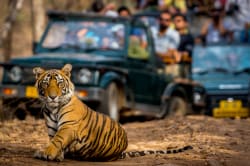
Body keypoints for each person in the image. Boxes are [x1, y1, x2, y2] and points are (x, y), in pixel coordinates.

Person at [173, 13, 194, 78]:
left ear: (185, 23)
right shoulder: (170, 36)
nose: (176, 23)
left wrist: (177, 54)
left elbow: (187, 53)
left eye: (179, 21)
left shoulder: (188, 37)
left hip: (182, 67)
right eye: (175, 21)